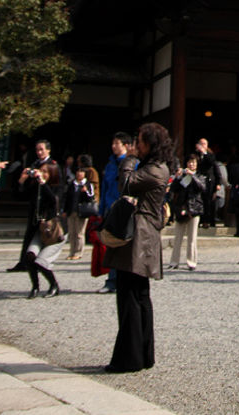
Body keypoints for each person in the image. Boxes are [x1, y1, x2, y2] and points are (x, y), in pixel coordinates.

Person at [104, 122, 173, 373]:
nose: (137, 145)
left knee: (130, 297)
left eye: (141, 141)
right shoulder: (155, 167)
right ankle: (142, 355)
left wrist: (129, 159)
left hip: (139, 236)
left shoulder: (154, 170)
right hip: (142, 233)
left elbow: (126, 183)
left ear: (150, 144)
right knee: (139, 296)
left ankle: (129, 358)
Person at [8, 140, 60, 272]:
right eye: (37, 150)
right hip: (35, 206)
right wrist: (22, 180)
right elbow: (25, 191)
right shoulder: (34, 164)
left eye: (42, 149)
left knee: (46, 237)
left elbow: (57, 189)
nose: (39, 152)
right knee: (29, 236)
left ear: (48, 150)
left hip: (47, 208)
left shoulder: (53, 165)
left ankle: (41, 264)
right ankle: (23, 262)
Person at [23, 163, 66, 298]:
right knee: (30, 256)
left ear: (52, 173)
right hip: (39, 230)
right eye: (40, 171)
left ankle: (54, 285)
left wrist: (43, 183)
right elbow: (20, 195)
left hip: (54, 232)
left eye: (45, 172)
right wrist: (23, 179)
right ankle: (35, 287)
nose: (42, 174)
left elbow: (53, 201)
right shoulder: (36, 187)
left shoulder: (57, 188)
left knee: (41, 262)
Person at [97, 131, 133, 293]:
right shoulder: (110, 164)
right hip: (110, 207)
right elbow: (105, 187)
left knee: (125, 246)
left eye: (116, 143)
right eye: (113, 143)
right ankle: (111, 281)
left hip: (124, 208)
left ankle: (124, 280)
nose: (113, 146)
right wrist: (102, 208)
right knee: (111, 245)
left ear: (126, 145)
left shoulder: (132, 163)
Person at [166, 154, 207, 270]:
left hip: (194, 208)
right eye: (189, 162)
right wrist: (177, 177)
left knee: (192, 238)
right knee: (178, 237)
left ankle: (191, 262)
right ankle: (174, 262)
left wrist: (192, 176)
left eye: (193, 162)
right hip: (181, 208)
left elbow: (202, 188)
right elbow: (173, 189)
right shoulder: (182, 176)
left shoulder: (200, 176)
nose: (191, 164)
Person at [63, 164, 97, 260]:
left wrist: (85, 192)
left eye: (81, 172)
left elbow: (91, 198)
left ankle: (78, 252)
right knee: (71, 232)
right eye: (78, 171)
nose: (79, 174)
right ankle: (72, 252)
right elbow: (67, 198)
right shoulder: (72, 184)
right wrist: (65, 210)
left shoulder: (88, 184)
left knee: (79, 233)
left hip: (81, 212)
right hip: (71, 211)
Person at [195, 138, 221, 226]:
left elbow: (213, 165)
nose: (202, 146)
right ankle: (199, 219)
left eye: (204, 144)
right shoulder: (195, 156)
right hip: (197, 180)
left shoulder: (210, 155)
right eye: (201, 144)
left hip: (208, 181)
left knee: (208, 201)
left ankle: (208, 220)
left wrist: (218, 183)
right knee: (198, 200)